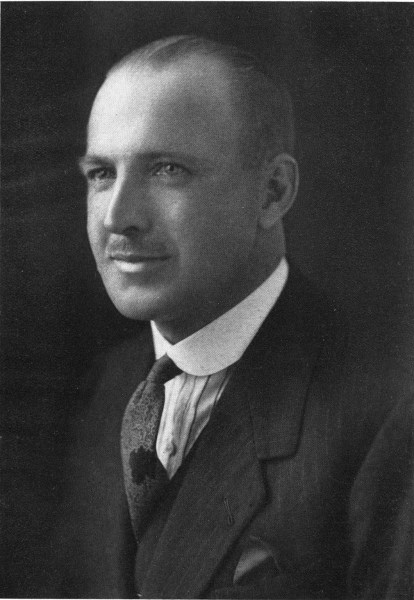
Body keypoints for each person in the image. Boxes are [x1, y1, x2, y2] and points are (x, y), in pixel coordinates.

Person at [47, 36, 413, 599]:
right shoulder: (105, 387)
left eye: (166, 169)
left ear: (272, 192)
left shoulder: (388, 412)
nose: (119, 217)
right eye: (101, 174)